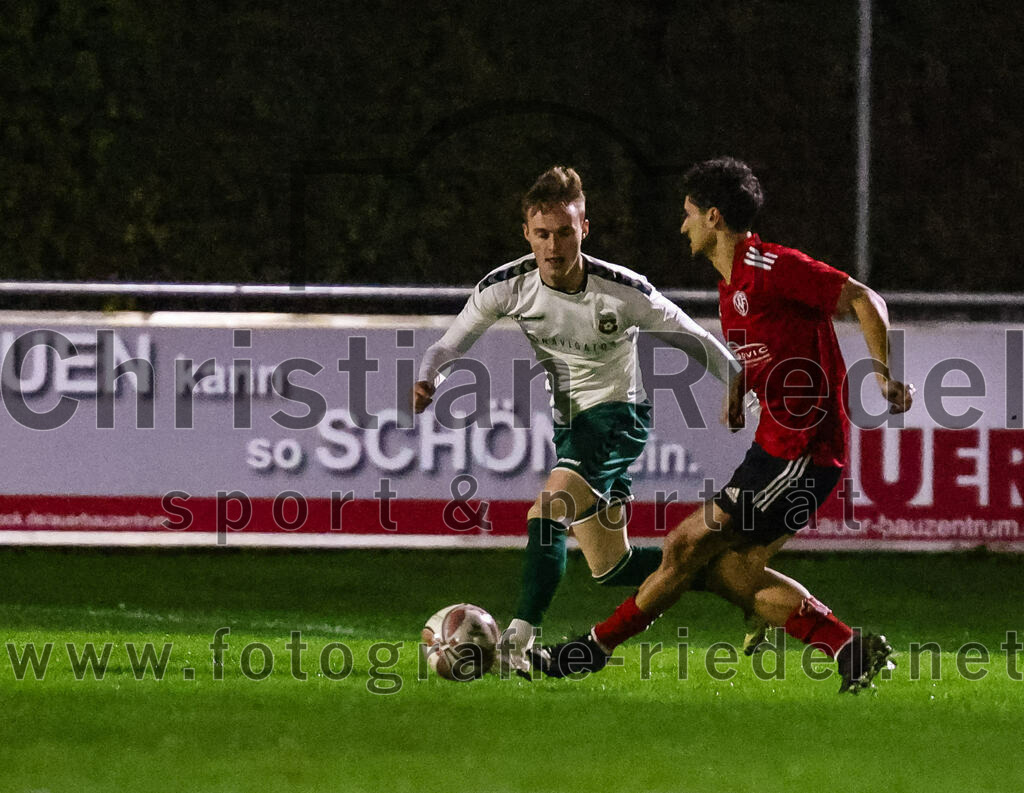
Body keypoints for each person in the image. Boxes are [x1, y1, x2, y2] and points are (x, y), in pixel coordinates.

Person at [533, 157, 915, 693]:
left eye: (688, 213)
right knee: (731, 574)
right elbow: (770, 348)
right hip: (775, 449)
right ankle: (850, 650)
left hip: (802, 453)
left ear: (713, 217)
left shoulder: (771, 266)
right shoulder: (731, 284)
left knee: (684, 547)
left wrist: (884, 376)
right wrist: (740, 389)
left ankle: (590, 651)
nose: (682, 226)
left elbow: (863, 299)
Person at [412, 166, 743, 675]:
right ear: (527, 234)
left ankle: (517, 640)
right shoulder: (507, 286)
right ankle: (742, 579)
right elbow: (449, 344)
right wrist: (428, 376)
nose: (553, 245)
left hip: (617, 418)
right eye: (542, 234)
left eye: (565, 232)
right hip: (571, 427)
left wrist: (741, 386)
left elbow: (693, 339)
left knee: (547, 513)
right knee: (612, 567)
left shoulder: (622, 290)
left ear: (584, 229)